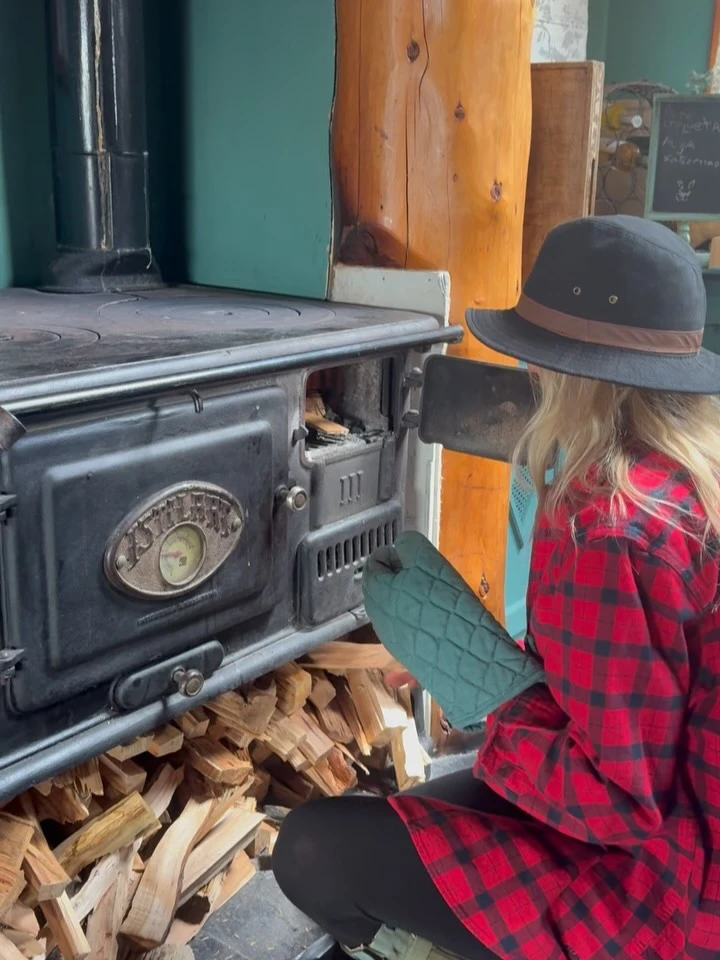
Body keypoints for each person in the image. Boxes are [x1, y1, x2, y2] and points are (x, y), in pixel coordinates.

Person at [273, 215, 720, 960]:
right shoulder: (685, 483)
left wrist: (491, 697)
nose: (533, 375)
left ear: (569, 373)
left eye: (537, 358)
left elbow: (618, 807)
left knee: (315, 850)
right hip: (690, 835)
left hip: (667, 893)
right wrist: (497, 659)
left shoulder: (607, 523)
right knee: (408, 817)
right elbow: (642, 685)